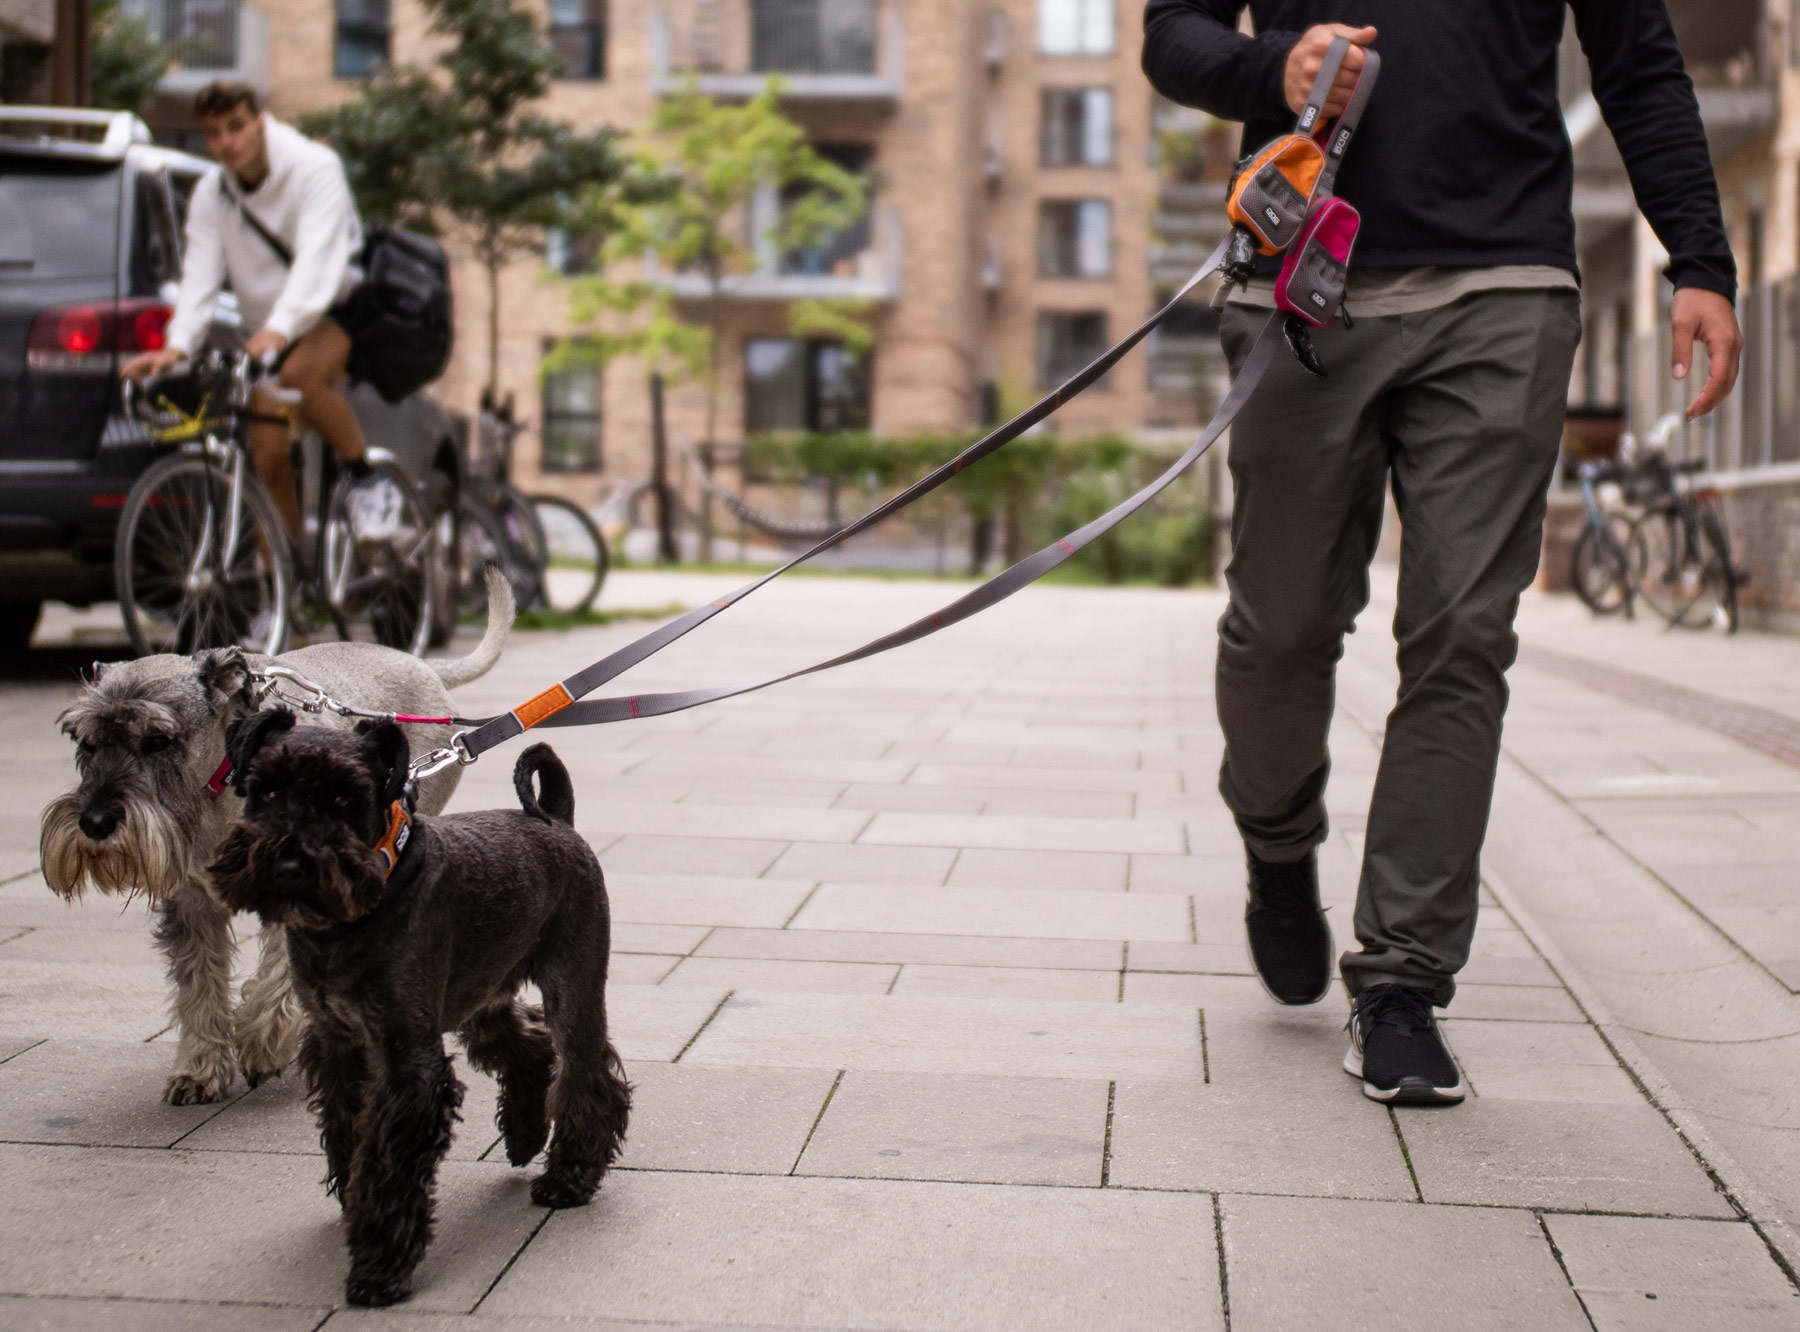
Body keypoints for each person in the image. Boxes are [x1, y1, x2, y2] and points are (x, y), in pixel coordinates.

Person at [1142, 3, 1741, 1104]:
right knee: (1281, 630)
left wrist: (1699, 259)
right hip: (1299, 285)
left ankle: (1403, 982)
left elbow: (1640, 64)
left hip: (1503, 286)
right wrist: (1279, 69)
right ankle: (1278, 843)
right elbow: (1171, 34)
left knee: (1462, 635)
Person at [123, 80, 370, 537]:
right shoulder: (211, 195)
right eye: (213, 133)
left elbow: (318, 259)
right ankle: (281, 596)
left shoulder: (314, 168)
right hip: (272, 334)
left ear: (260, 122)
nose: (226, 143)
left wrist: (281, 327)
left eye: (236, 127)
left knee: (301, 375)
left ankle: (366, 481)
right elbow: (200, 278)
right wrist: (177, 347)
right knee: (267, 460)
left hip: (338, 307)